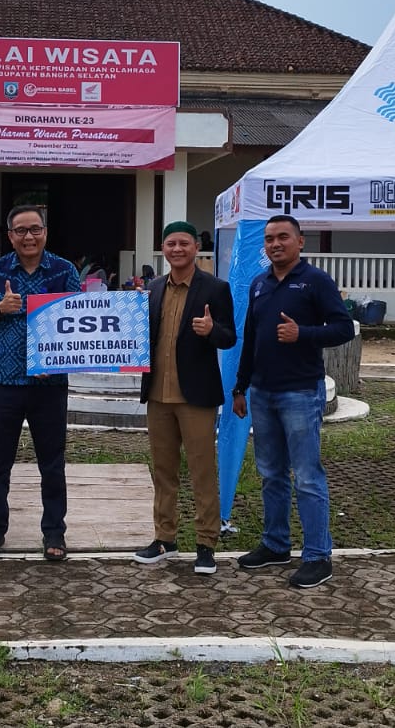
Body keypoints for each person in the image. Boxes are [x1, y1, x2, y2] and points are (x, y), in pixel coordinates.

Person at [231, 214, 354, 589]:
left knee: (307, 476)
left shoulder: (315, 281)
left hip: (300, 392)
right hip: (262, 393)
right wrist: (240, 387)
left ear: (300, 241)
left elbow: (343, 328)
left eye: (283, 237)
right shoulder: (259, 284)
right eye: (269, 239)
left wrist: (303, 334)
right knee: (271, 474)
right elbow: (251, 338)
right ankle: (276, 544)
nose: (275, 244)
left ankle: (317, 556)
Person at [0, 205, 81, 562]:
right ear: (10, 236)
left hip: (49, 385)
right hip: (3, 383)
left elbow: (79, 320)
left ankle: (54, 532)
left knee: (52, 464)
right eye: (21, 230)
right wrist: (0, 309)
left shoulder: (64, 271)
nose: (29, 236)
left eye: (35, 229)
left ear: (45, 232)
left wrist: (57, 358)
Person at [133, 221, 236, 575]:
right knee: (164, 471)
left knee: (202, 471)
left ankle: (206, 544)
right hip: (158, 395)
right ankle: (165, 538)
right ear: (163, 248)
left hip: (196, 397)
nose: (177, 249)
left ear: (195, 247)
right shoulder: (152, 288)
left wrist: (211, 330)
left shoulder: (216, 288)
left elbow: (229, 337)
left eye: (184, 243)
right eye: (171, 244)